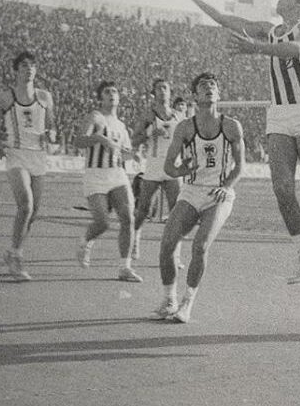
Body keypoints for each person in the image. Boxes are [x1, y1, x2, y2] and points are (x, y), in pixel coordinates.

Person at [179, 0, 300, 304]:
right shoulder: (269, 30)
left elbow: (296, 49)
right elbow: (224, 19)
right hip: (279, 114)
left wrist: (257, 49)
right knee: (282, 188)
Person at [153, 72, 245, 323]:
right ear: (195, 95)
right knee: (167, 244)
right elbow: (169, 167)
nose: (209, 88)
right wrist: (183, 170)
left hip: (219, 193)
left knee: (200, 246)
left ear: (219, 94)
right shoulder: (185, 127)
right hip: (192, 190)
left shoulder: (231, 126)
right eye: (204, 86)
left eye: (213, 85)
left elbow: (240, 167)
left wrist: (226, 186)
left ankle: (187, 303)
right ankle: (169, 300)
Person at [0, 51, 56, 281]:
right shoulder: (6, 97)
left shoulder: (45, 97)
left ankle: (13, 251)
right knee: (25, 205)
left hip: (38, 157)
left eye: (32, 65)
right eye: (25, 65)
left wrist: (50, 135)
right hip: (16, 155)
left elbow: (52, 127)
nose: (29, 69)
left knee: (33, 213)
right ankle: (17, 257)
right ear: (16, 70)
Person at [74, 80, 142, 283]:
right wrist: (99, 139)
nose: (111, 94)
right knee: (102, 223)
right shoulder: (95, 117)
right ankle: (85, 241)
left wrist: (133, 155)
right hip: (95, 175)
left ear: (119, 98)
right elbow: (78, 141)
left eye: (114, 92)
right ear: (101, 98)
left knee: (128, 218)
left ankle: (125, 267)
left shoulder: (121, 126)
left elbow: (124, 153)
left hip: (117, 174)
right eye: (107, 92)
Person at [131, 78, 184, 260]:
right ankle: (135, 239)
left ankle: (175, 254)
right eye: (159, 88)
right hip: (153, 167)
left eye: (165, 88)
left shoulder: (179, 116)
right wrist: (149, 133)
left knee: (176, 212)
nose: (162, 91)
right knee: (144, 209)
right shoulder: (148, 115)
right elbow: (134, 140)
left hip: (173, 168)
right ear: (154, 93)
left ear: (170, 92)